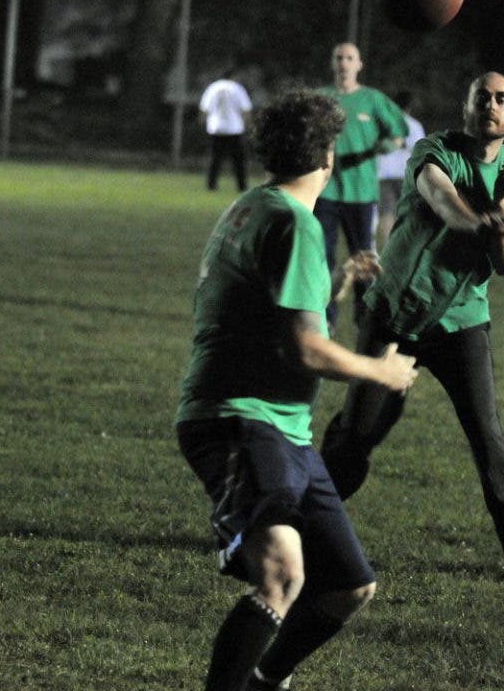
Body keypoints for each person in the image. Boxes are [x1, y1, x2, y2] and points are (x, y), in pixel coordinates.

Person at [175, 88, 418, 691]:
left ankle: (263, 682)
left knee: (348, 586)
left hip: (280, 428)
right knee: (282, 575)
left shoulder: (254, 205)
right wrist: (382, 372)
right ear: (329, 156)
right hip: (241, 418)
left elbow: (270, 311)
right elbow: (304, 348)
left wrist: (334, 283)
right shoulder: (295, 224)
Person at [321, 71, 504, 585]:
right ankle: (302, 522)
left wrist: (501, 205)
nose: (490, 104)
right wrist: (483, 215)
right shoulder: (434, 150)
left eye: (501, 99)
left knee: (486, 434)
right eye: (481, 96)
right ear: (466, 107)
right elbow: (443, 203)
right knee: (358, 435)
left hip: (461, 322)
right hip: (394, 313)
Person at [316, 42, 409, 329]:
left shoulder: (372, 99)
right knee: (323, 257)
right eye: (339, 57)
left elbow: (399, 133)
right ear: (332, 63)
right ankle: (326, 317)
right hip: (325, 190)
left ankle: (364, 316)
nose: (344, 63)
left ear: (359, 64)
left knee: (363, 258)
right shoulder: (321, 98)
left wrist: (383, 145)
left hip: (361, 192)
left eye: (349, 58)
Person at [375, 90, 426, 249]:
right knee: (407, 214)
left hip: (383, 174)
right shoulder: (414, 125)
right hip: (406, 175)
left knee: (386, 214)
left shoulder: (383, 123)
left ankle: (389, 248)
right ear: (410, 107)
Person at [199, 68, 253, 192]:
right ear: (233, 76)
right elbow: (246, 109)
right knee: (238, 160)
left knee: (215, 159)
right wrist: (247, 124)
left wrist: (203, 124)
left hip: (216, 128)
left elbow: (204, 109)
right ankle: (242, 186)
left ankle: (211, 185)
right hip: (234, 128)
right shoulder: (237, 88)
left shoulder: (213, 88)